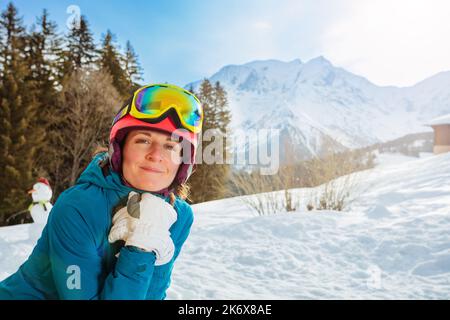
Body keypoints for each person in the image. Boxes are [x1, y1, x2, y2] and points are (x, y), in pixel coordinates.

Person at [0, 83, 203, 299]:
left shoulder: (178, 217)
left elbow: (152, 294)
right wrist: (139, 250)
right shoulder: (78, 208)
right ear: (120, 149)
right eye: (143, 140)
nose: (156, 155)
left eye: (171, 146)